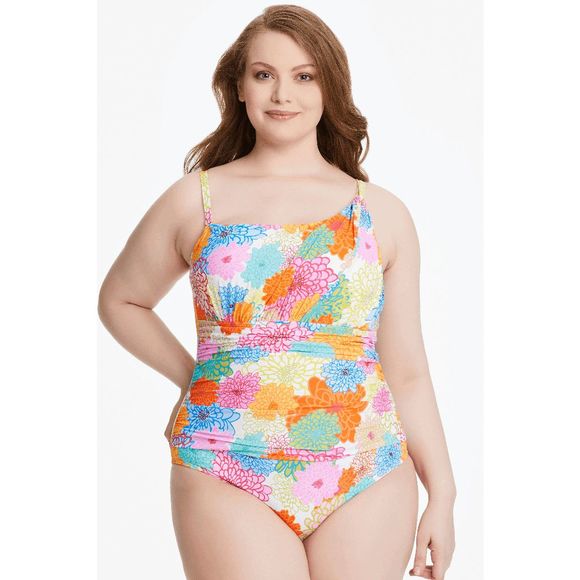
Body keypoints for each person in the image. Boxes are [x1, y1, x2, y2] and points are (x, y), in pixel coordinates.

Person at [98, 5, 456, 579]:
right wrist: (193, 378)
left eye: (304, 76)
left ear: (329, 87)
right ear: (238, 86)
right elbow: (121, 301)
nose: (283, 93)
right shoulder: (195, 200)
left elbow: (407, 371)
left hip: (367, 468)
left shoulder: (381, 213)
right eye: (264, 74)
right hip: (223, 461)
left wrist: (443, 493)